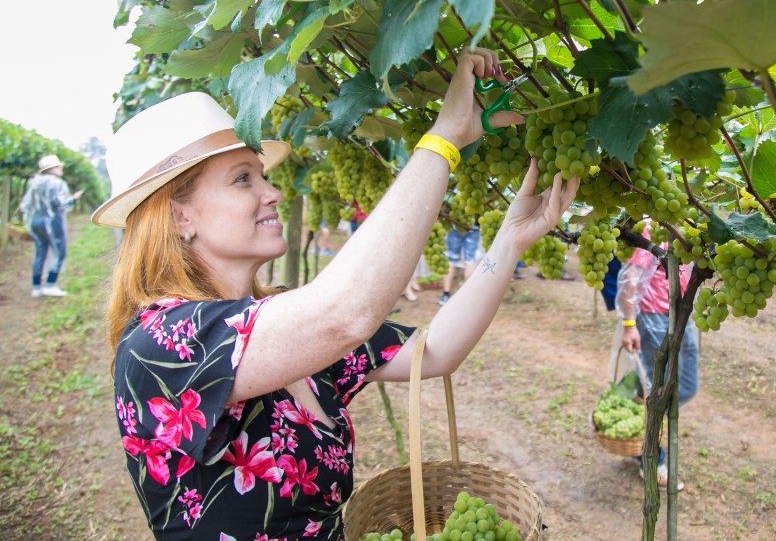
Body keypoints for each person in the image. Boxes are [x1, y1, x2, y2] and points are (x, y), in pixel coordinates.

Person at [92, 49, 580, 540]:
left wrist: (510, 239)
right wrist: (443, 139)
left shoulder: (278, 326)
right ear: (179, 216)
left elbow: (434, 352)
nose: (272, 192)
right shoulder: (161, 345)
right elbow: (346, 312)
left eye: (262, 174)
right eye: (243, 179)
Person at [617, 226, 696, 491]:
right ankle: (649, 454)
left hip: (680, 314)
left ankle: (628, 403)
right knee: (657, 390)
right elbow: (630, 277)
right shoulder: (655, 227)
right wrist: (629, 323)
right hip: (652, 316)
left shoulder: (690, 226)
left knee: (683, 387)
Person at [20, 154, 83, 297]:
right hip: (51, 221)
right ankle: (50, 284)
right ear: (52, 169)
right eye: (58, 166)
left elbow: (26, 204)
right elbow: (59, 204)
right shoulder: (57, 183)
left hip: (35, 221)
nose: (61, 168)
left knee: (40, 252)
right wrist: (73, 199)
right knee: (59, 251)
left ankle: (36, 287)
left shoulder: (35, 183)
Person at [438, 224, 481, 305]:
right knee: (470, 260)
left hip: (455, 223)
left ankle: (445, 294)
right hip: (473, 226)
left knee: (451, 259)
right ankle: (468, 296)